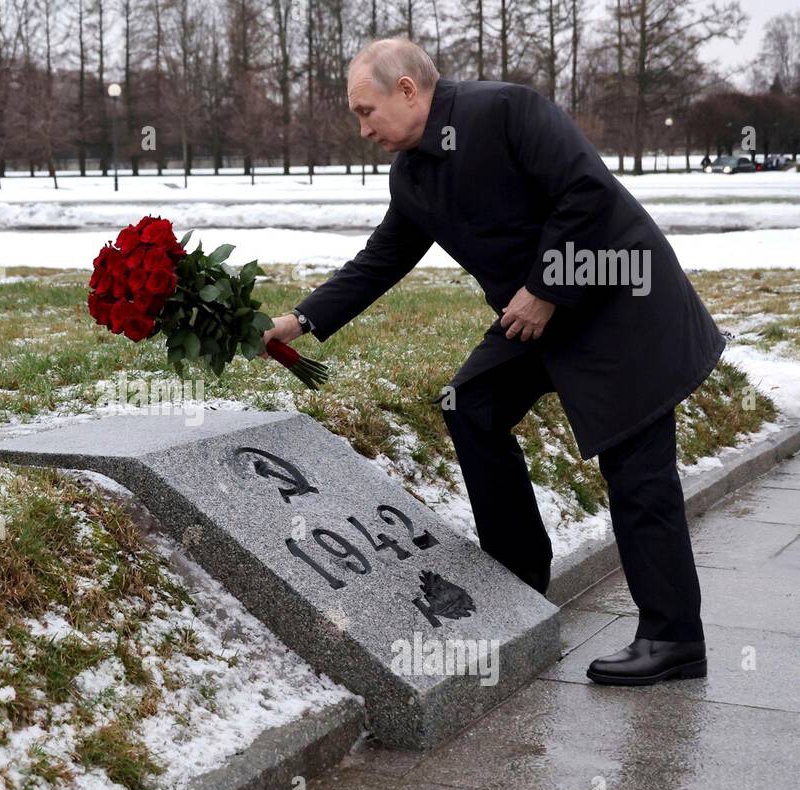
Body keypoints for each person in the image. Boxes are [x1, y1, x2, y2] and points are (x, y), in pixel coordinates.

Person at [262, 38, 725, 685]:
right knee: (470, 405)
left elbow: (587, 194)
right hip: (540, 318)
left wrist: (541, 289)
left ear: (406, 90)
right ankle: (519, 583)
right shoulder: (414, 172)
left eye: (366, 111)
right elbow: (383, 257)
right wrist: (302, 319)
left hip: (620, 304)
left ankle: (673, 638)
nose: (362, 128)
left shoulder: (507, 111)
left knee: (638, 474)